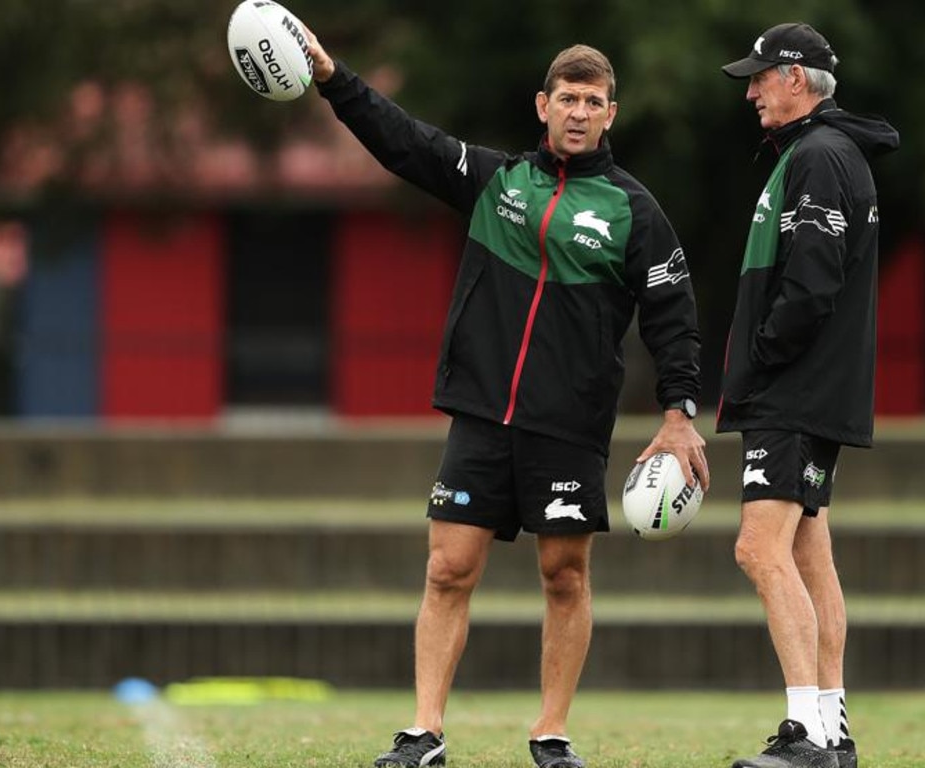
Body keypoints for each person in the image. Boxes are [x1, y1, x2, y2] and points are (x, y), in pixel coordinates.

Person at [304, 32, 709, 768]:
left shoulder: (635, 212)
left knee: (565, 575)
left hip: (570, 422)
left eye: (593, 102)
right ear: (542, 105)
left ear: (610, 113)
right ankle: (424, 733)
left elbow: (674, 317)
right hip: (483, 412)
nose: (579, 113)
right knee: (447, 569)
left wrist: (680, 415)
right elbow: (404, 142)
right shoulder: (497, 182)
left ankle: (550, 736)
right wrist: (333, 77)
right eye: (568, 99)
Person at [717, 22, 899, 768]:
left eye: (761, 77)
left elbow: (811, 282)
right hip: (812, 390)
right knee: (807, 551)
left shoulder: (820, 156)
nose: (752, 90)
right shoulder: (826, 151)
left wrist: (760, 363)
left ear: (796, 78)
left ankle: (807, 737)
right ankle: (833, 724)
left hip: (794, 390)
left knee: (758, 549)